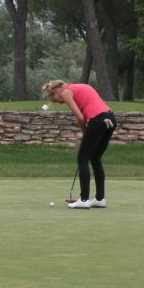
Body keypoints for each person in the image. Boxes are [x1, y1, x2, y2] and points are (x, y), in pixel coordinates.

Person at [42, 80, 117, 209]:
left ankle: (84, 200)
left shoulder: (66, 93)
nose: (59, 103)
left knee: (82, 158)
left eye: (55, 100)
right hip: (110, 118)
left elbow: (80, 117)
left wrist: (85, 132)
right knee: (95, 158)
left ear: (55, 91)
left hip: (97, 120)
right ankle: (100, 199)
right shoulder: (83, 86)